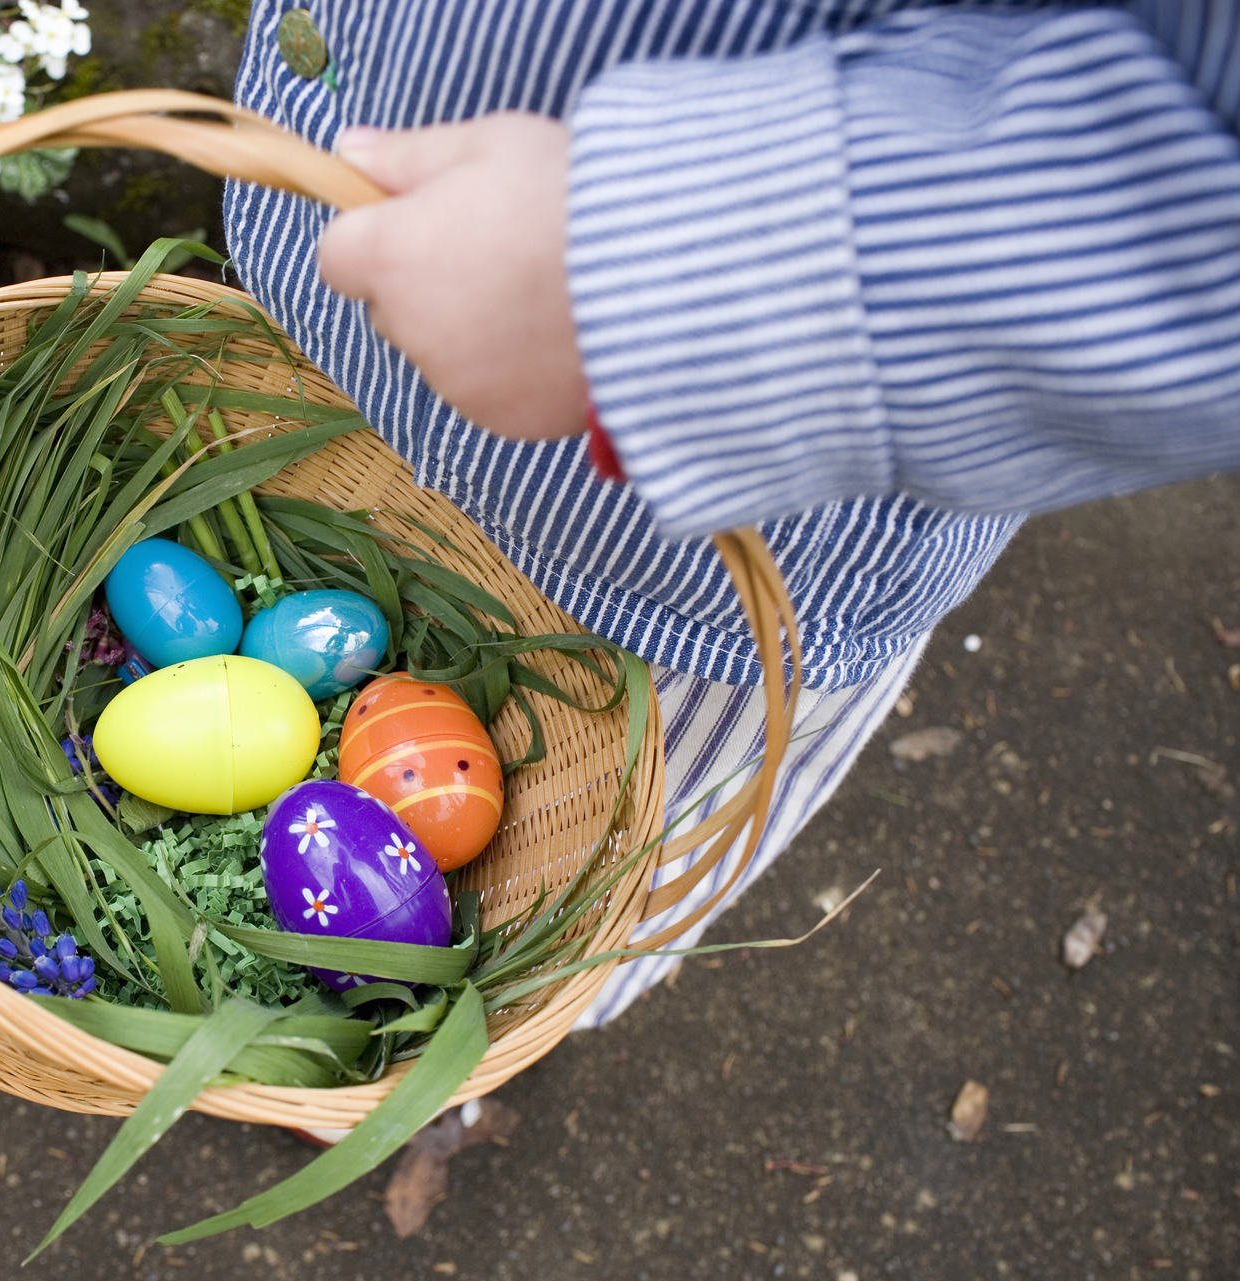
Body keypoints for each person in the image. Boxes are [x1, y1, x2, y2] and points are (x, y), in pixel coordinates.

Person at [223, 1, 1240, 1032]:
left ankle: (445, 1044)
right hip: (336, 270)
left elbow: (1202, 184)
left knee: (595, 890)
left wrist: (648, 268)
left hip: (698, 550)